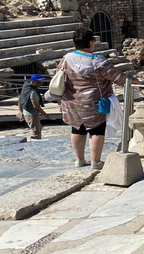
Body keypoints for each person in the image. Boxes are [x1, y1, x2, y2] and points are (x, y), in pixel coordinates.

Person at [56, 27, 137, 169]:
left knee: (76, 129)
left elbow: (59, 76)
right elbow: (117, 77)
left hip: (71, 102)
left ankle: (79, 160)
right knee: (96, 130)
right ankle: (96, 161)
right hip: (93, 102)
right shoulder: (97, 60)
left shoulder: (66, 59)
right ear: (91, 42)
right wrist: (133, 81)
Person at [17, 74, 50, 139]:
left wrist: (21, 112)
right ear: (32, 82)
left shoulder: (25, 89)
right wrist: (45, 114)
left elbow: (20, 101)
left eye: (41, 82)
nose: (40, 84)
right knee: (36, 133)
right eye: (38, 82)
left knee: (38, 129)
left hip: (27, 114)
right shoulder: (32, 92)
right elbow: (36, 106)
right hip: (32, 115)